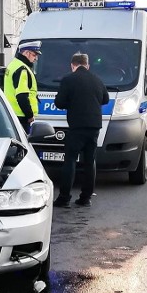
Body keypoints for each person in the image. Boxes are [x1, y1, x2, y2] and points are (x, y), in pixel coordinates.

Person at [53, 52, 109, 208]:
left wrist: (72, 102)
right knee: (89, 161)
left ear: (73, 65)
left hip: (77, 126)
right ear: (87, 65)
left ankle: (64, 198)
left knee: (70, 160)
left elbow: (59, 102)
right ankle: (86, 198)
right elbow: (105, 99)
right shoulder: (97, 79)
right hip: (94, 126)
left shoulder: (68, 79)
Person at [3, 41, 41, 133]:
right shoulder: (22, 69)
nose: (36, 58)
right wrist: (30, 115)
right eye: (34, 55)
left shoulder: (13, 64)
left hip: (11, 113)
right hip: (21, 116)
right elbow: (22, 96)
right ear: (26, 53)